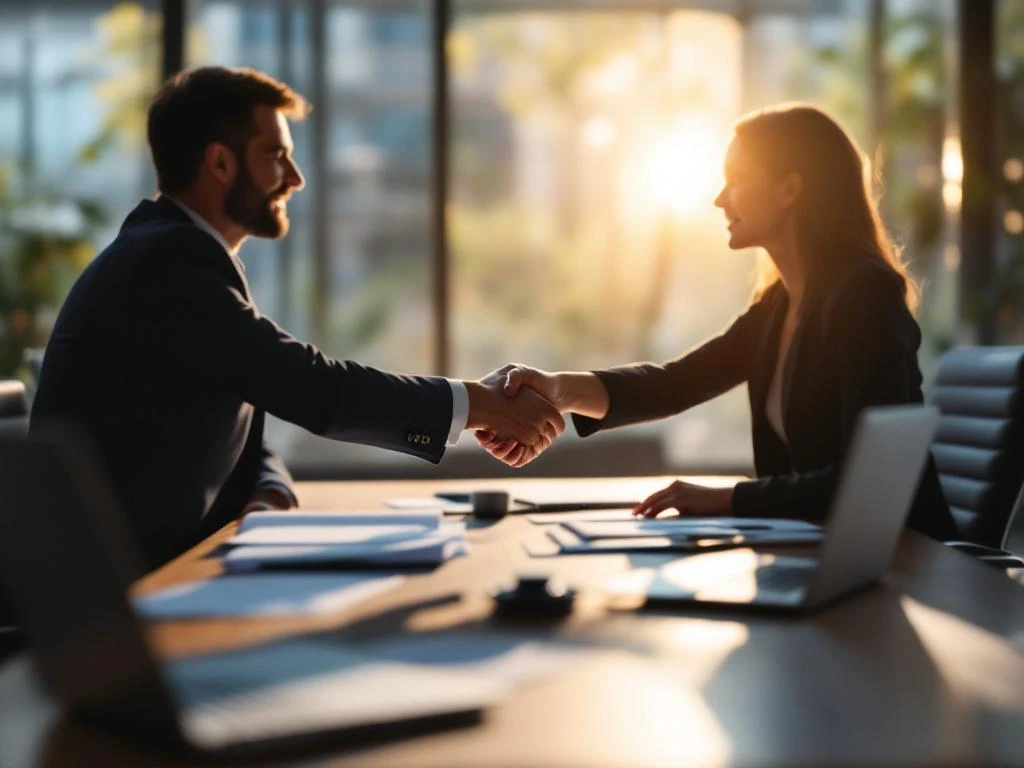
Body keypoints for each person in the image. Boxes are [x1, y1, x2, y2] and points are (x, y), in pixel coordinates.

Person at [29, 66, 563, 572]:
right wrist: (479, 404)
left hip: (144, 571)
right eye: (276, 156)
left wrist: (270, 494)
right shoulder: (171, 262)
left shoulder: (171, 252)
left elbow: (244, 426)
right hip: (117, 598)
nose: (296, 178)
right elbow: (310, 385)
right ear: (220, 164)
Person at [478, 103, 956, 541]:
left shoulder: (863, 296)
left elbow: (867, 479)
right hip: (823, 552)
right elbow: (674, 384)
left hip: (904, 560)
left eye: (737, 180)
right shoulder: (777, 307)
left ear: (790, 188)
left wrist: (724, 498)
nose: (720, 200)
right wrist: (557, 390)